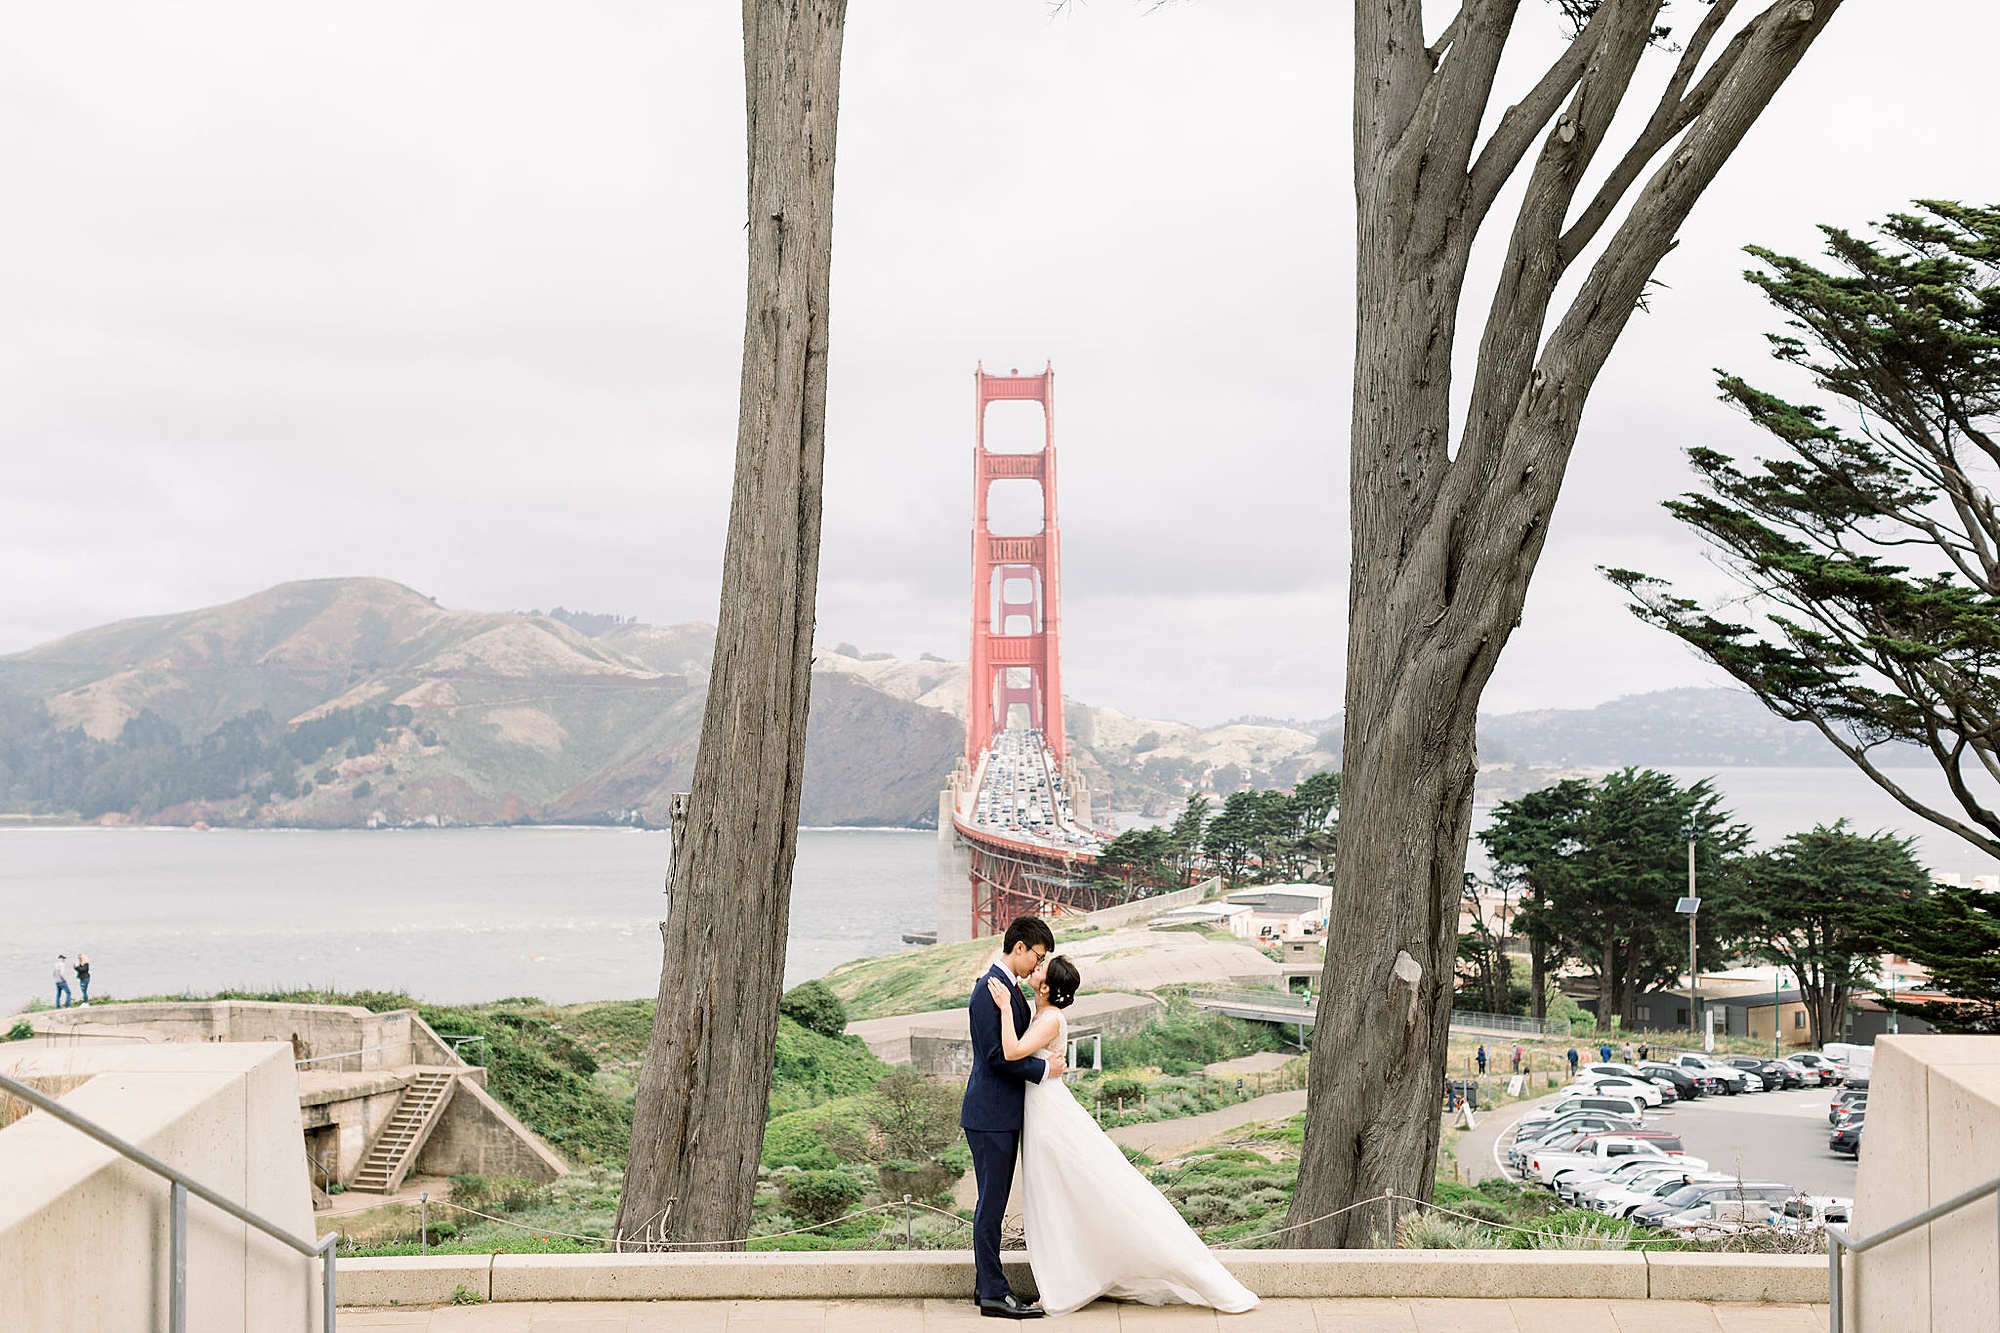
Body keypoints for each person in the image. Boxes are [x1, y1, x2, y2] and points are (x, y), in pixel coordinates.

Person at [986, 954, 1257, 1317]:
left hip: (1050, 1115)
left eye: (1041, 970)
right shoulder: (1043, 1013)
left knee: (1060, 1192)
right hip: (1041, 1109)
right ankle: (1068, 1279)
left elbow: (1012, 1051)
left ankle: (1065, 1286)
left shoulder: (1050, 1018)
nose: (1036, 969)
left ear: (1047, 987)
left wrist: (1004, 1008)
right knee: (1056, 1194)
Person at [961, 916, 1063, 1320]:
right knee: (991, 1205)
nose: (1038, 966)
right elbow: (996, 1057)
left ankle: (986, 1285)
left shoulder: (1010, 989)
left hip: (1000, 1114)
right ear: (1018, 947)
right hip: (990, 1115)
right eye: (1037, 956)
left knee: (993, 1203)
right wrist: (1043, 1071)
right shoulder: (991, 990)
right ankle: (992, 1293)